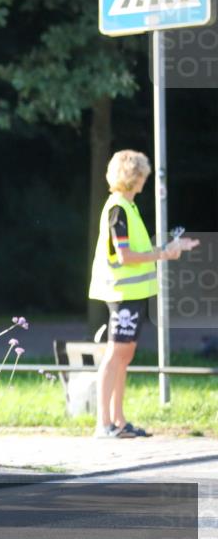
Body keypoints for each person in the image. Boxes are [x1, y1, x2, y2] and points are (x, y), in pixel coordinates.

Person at [88, 149, 199, 438]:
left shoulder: (128, 207)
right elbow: (125, 256)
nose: (145, 180)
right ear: (133, 177)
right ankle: (103, 424)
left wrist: (169, 250)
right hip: (122, 292)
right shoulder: (118, 209)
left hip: (132, 292)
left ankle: (119, 421)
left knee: (124, 355)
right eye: (143, 176)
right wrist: (164, 253)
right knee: (115, 355)